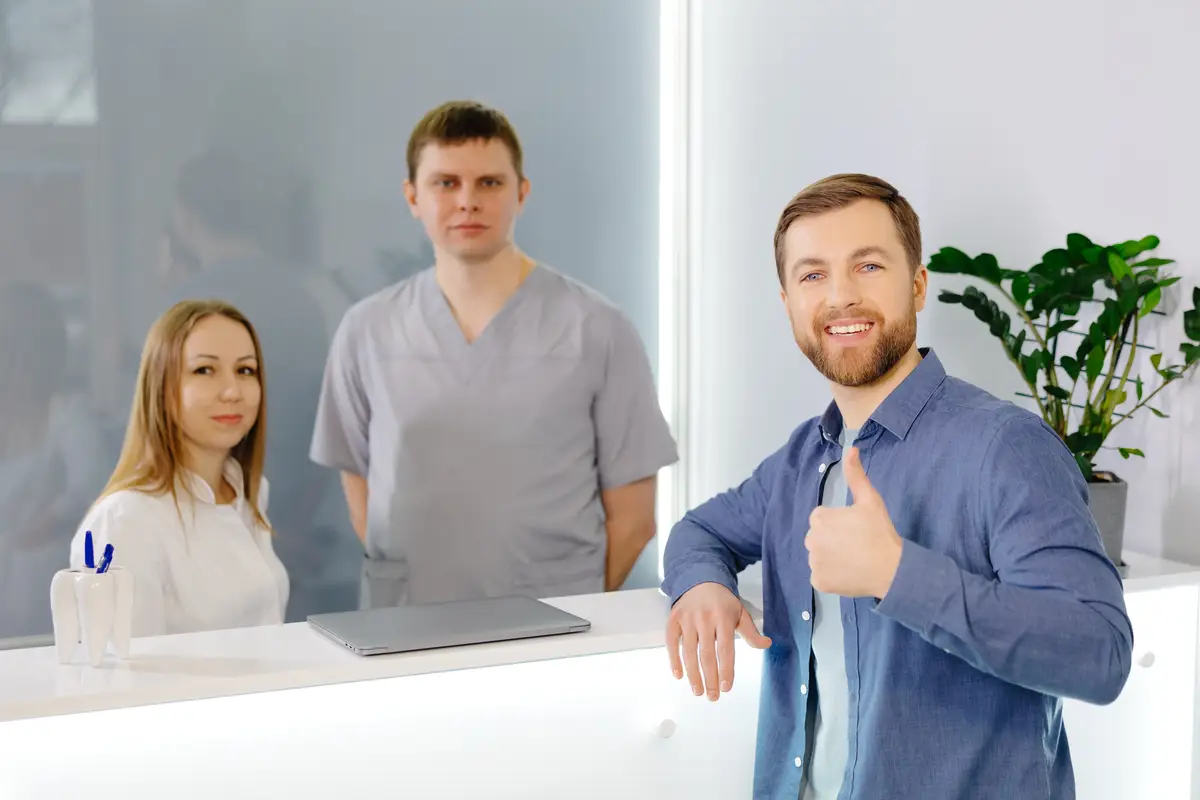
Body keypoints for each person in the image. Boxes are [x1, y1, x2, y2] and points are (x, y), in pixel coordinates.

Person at [661, 174, 1133, 799]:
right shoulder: (804, 457)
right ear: (788, 303)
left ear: (916, 284)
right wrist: (700, 585)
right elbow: (701, 530)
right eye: (812, 275)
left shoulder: (1006, 447)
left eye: (868, 266)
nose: (840, 296)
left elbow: (1100, 656)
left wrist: (897, 575)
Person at [311, 100, 678, 608]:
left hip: (550, 628)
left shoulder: (597, 328)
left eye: (489, 183)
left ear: (521, 193)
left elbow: (634, 519)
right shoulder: (367, 330)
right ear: (412, 196)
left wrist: (567, 607)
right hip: (403, 625)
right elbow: (362, 496)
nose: (468, 201)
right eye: (446, 183)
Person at [157, 147, 356, 619]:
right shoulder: (300, 301)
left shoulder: (184, 305)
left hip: (209, 538)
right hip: (293, 534)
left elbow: (164, 437)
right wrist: (288, 528)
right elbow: (323, 427)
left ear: (187, 216)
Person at [69, 300, 288, 636]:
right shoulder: (125, 521)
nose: (232, 391)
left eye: (245, 370)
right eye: (205, 370)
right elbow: (123, 665)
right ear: (162, 387)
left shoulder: (249, 491)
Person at [0, 281, 107, 640]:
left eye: (23, 350)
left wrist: (45, 526)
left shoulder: (69, 416)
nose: (14, 365)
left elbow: (93, 488)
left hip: (42, 590)